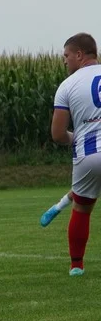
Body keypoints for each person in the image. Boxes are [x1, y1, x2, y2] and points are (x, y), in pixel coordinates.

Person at [50, 32, 101, 275]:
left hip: (88, 154)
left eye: (66, 56)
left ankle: (76, 265)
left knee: (81, 209)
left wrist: (75, 138)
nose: (64, 61)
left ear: (79, 55)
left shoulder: (67, 86)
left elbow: (58, 134)